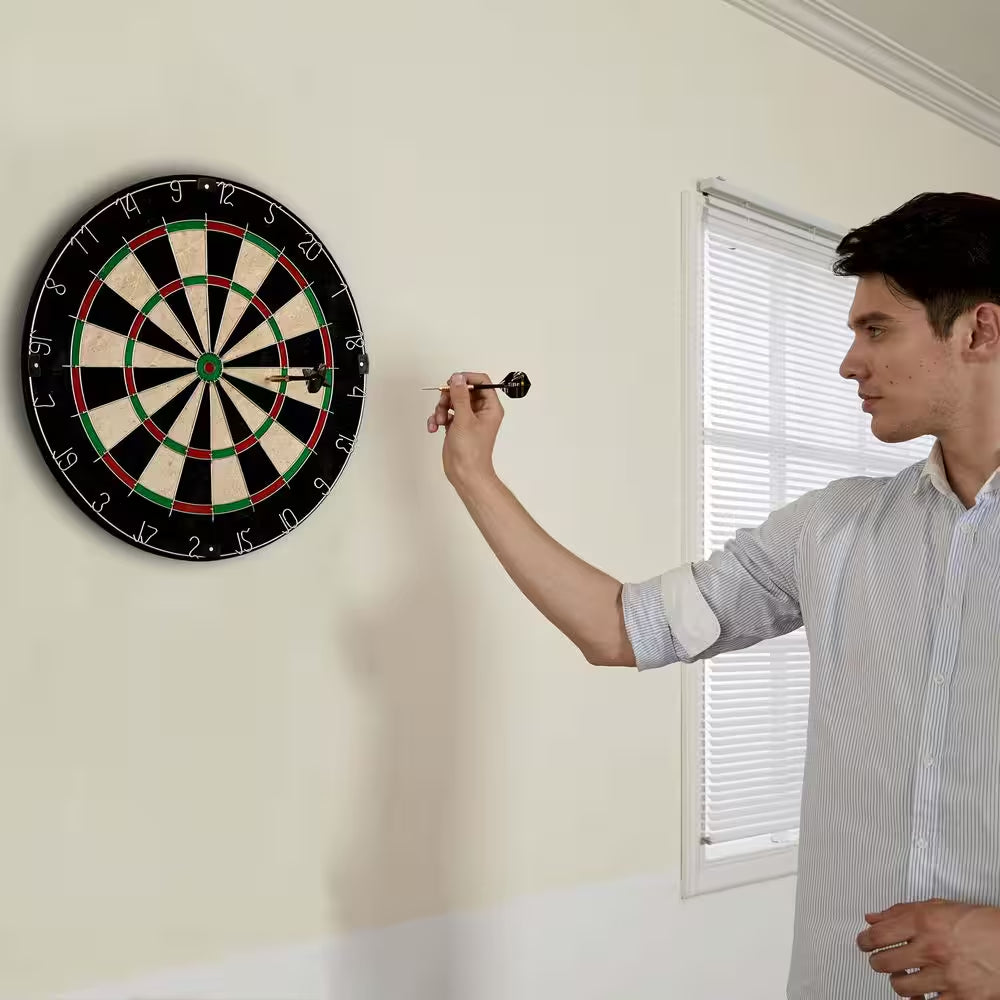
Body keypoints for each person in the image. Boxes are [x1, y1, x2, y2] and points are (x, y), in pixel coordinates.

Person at [426, 191, 1000, 1000]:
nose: (849, 362)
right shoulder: (828, 530)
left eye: (877, 330)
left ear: (980, 330)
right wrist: (473, 475)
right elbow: (622, 629)